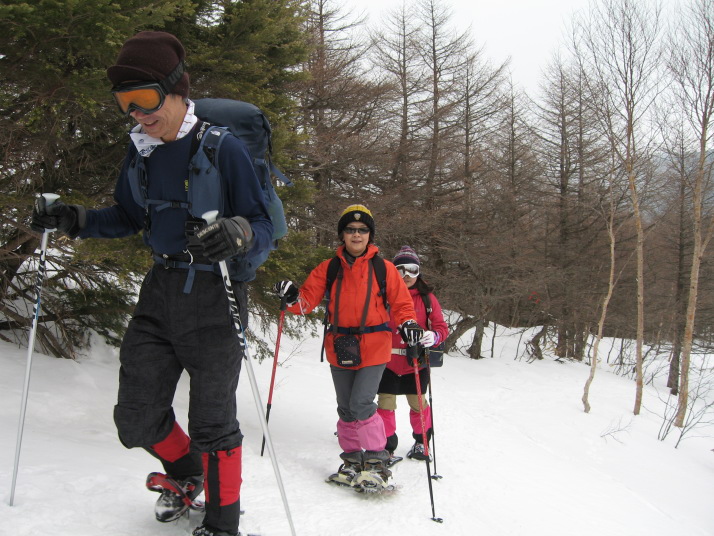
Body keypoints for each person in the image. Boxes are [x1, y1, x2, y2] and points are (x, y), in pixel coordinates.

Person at [30, 31, 273, 536]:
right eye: (126, 104)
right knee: (135, 417)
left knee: (213, 423)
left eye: (144, 101)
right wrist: (74, 219)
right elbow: (126, 215)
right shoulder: (140, 150)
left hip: (216, 295)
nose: (137, 114)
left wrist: (240, 230)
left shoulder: (221, 148)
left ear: (176, 89)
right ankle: (186, 475)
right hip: (160, 290)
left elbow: (262, 223)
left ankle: (223, 524)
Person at [273, 205, 425, 490]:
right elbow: (305, 301)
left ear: (370, 235)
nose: (356, 235)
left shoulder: (385, 269)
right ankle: (353, 460)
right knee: (345, 408)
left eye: (362, 230)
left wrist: (408, 324)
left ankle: (378, 461)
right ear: (342, 235)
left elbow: (403, 304)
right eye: (351, 230)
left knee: (362, 403)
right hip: (340, 345)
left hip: (375, 346)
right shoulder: (328, 268)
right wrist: (292, 297)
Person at [377, 246, 449, 462]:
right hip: (387, 361)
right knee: (385, 404)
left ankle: (422, 441)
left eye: (412, 270)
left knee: (418, 404)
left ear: (419, 272)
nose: (406, 276)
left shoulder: (428, 299)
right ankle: (386, 445)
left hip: (415, 361)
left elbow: (441, 328)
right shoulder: (384, 296)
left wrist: (433, 337)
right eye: (400, 270)